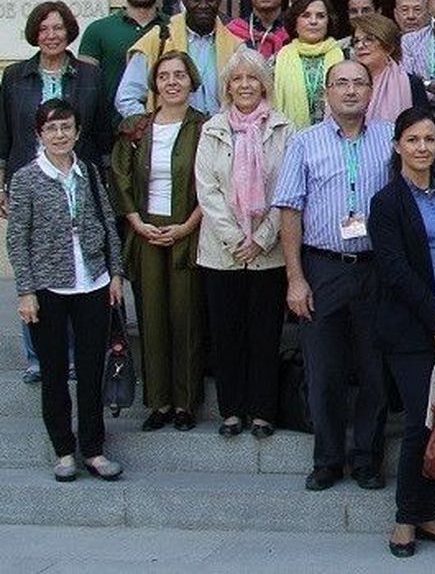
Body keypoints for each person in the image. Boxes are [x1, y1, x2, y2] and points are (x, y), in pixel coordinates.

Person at [272, 59, 393, 492]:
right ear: (327, 92)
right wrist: (295, 278)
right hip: (323, 266)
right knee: (324, 370)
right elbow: (290, 211)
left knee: (373, 371)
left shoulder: (389, 138)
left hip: (376, 268)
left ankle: (366, 459)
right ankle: (327, 459)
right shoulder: (304, 143)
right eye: (341, 83)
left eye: (359, 83)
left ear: (370, 91)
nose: (350, 91)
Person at [366, 107, 435, 557]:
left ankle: (428, 514)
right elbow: (396, 272)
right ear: (398, 146)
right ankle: (405, 519)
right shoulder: (387, 202)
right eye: (413, 140)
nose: (422, 148)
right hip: (413, 332)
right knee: (421, 424)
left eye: (429, 140)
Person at [5, 98, 125, 481]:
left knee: (92, 370)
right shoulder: (25, 178)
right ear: (39, 134)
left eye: (66, 127)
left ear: (76, 131)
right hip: (47, 287)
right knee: (55, 372)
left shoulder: (88, 172)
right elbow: (17, 239)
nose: (60, 135)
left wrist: (116, 274)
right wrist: (25, 291)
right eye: (52, 129)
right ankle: (62, 450)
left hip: (92, 282)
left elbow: (108, 223)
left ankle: (93, 449)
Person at [193, 49, 293, 439]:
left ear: (264, 84)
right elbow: (207, 189)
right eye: (237, 79)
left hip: (268, 253)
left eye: (253, 78)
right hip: (222, 252)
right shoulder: (213, 128)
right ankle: (232, 410)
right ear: (227, 87)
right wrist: (236, 238)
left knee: (264, 334)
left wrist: (264, 237)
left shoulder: (283, 128)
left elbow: (287, 188)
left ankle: (263, 411)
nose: (245, 85)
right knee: (226, 333)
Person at [110, 50, 208, 432]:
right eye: (164, 76)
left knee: (186, 316)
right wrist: (136, 221)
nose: (171, 82)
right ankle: (160, 402)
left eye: (179, 75)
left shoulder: (205, 127)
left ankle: (185, 403)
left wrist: (187, 225)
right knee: (151, 317)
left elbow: (214, 182)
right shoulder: (137, 128)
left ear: (192, 82)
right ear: (154, 85)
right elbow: (119, 177)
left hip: (188, 227)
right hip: (146, 229)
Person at [2, 2, 113, 186]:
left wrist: (105, 181)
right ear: (35, 34)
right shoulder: (14, 76)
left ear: (68, 31)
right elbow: (4, 135)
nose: (51, 36)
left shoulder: (91, 76)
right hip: (26, 181)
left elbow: (103, 134)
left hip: (78, 179)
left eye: (58, 28)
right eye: (43, 29)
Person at [116, 0, 242, 116]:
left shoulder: (237, 47)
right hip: (169, 136)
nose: (203, 5)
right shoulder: (158, 40)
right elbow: (127, 98)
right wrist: (151, 129)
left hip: (220, 135)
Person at [272, 0, 343, 129]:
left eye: (321, 16)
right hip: (292, 140)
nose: (313, 21)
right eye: (306, 15)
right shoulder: (277, 60)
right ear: (295, 22)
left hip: (336, 140)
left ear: (329, 21)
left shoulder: (345, 57)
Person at [349, 13, 428, 124]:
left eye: (369, 39)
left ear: (389, 48)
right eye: (356, 41)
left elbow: (422, 127)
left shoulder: (411, 83)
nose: (360, 46)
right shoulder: (346, 82)